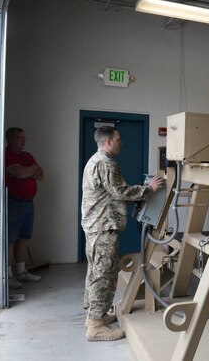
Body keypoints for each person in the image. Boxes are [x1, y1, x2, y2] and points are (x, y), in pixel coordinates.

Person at [81, 126, 164, 342]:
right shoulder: (107, 163)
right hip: (103, 226)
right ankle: (95, 326)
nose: (121, 142)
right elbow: (120, 191)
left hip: (95, 226)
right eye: (118, 138)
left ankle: (94, 314)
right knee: (105, 274)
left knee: (95, 270)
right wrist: (149, 189)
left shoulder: (94, 160)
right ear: (108, 142)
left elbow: (112, 193)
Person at [5, 127, 44, 290]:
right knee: (10, 240)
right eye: (20, 138)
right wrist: (31, 169)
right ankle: (8, 275)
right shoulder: (6, 154)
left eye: (24, 138)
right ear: (10, 139)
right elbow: (20, 173)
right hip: (14, 203)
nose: (23, 140)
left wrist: (29, 170)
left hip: (28, 203)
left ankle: (21, 271)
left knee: (24, 238)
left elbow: (41, 175)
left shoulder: (26, 156)